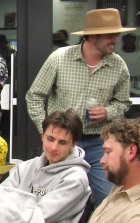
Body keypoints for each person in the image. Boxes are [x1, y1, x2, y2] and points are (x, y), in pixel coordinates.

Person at [26, 8, 136, 207]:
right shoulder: (59, 58)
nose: (115, 40)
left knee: (105, 198)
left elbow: (123, 103)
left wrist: (108, 112)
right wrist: (46, 131)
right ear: (93, 36)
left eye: (117, 35)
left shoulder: (118, 66)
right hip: (63, 141)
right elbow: (34, 96)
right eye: (110, 35)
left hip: (97, 144)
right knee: (50, 197)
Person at [1, 110, 91, 223]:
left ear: (73, 144)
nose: (54, 147)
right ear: (42, 136)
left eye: (62, 142)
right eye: (50, 139)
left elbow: (37, 217)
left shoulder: (75, 179)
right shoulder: (26, 167)